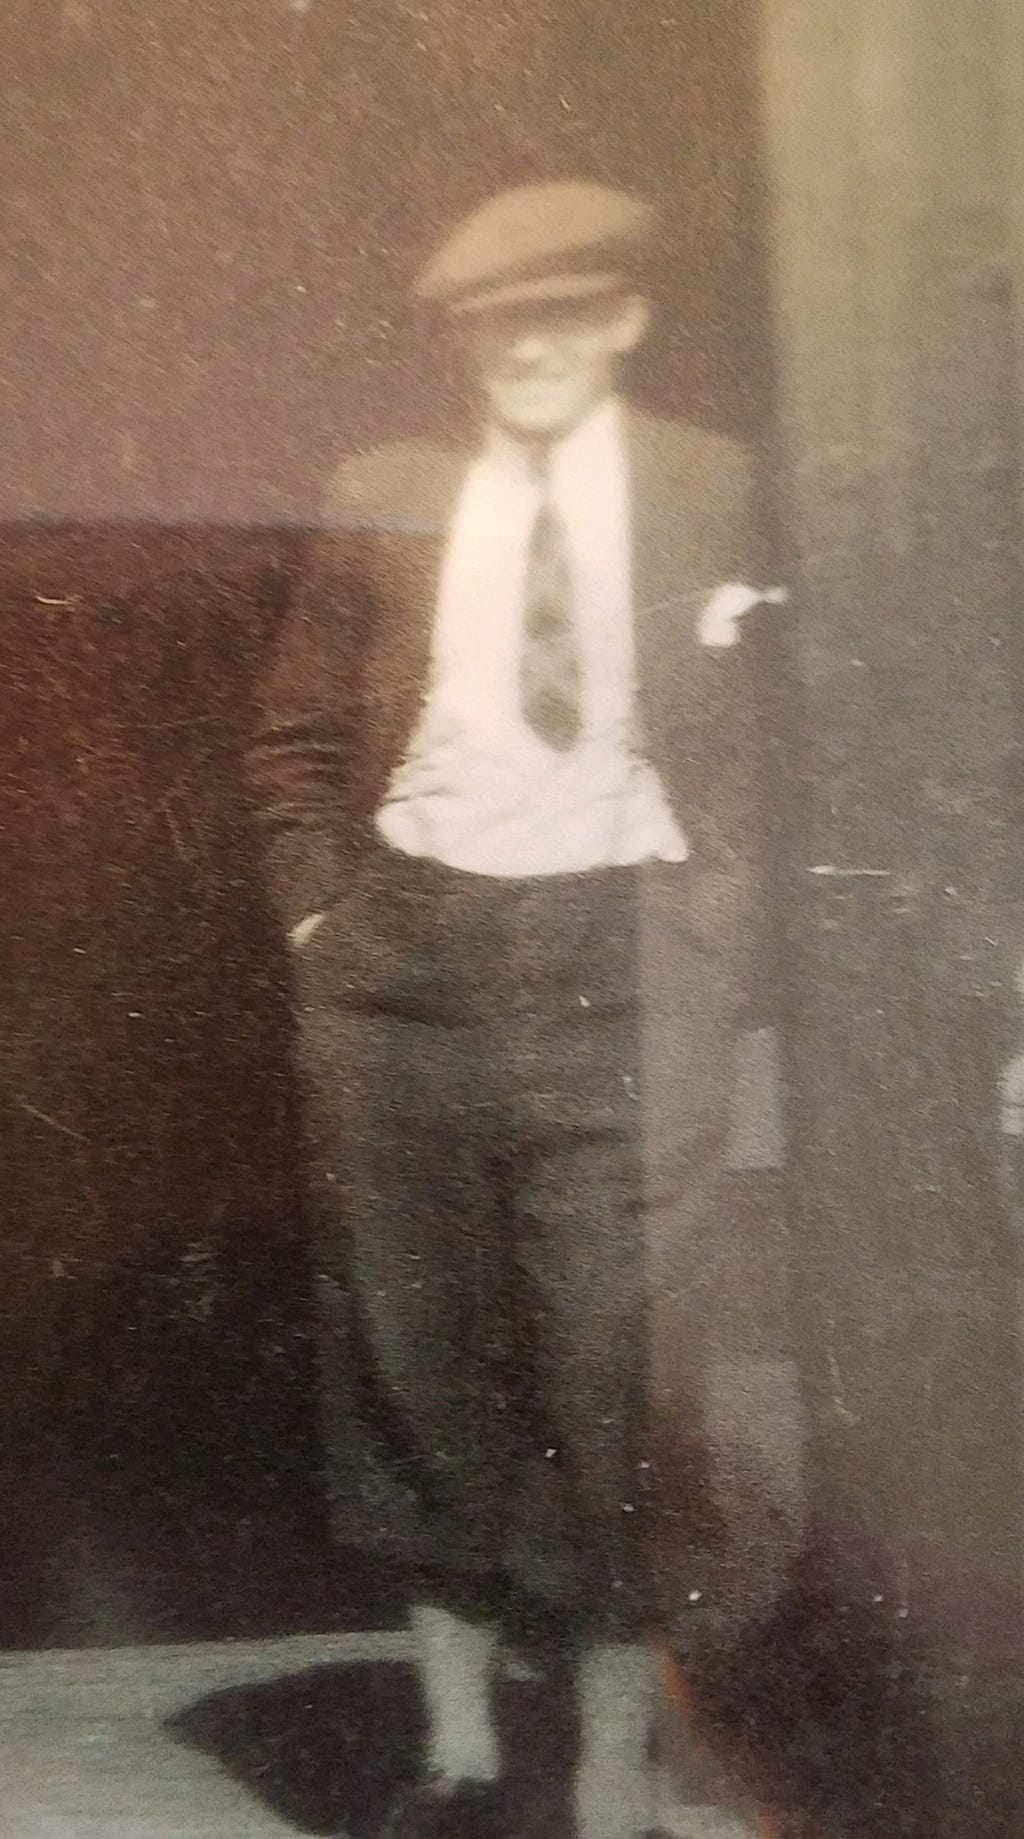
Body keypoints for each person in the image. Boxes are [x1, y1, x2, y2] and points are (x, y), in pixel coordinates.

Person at [248, 180, 780, 1839]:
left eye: (565, 313)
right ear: (460, 342)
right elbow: (297, 741)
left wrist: (709, 926)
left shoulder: (711, 485)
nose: (531, 346)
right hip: (406, 962)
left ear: (623, 321)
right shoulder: (386, 491)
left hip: (623, 955)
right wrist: (323, 919)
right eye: (496, 323)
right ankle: (463, 1754)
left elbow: (773, 736)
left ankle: (614, 1755)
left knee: (615, 1366)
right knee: (414, 1355)